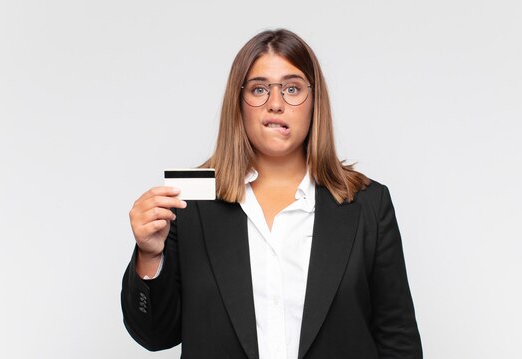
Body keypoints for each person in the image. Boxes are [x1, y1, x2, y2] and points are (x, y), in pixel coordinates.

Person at [121, 29, 422, 359]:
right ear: (239, 103)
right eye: (259, 89)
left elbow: (398, 341)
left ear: (314, 100)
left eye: (292, 88)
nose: (275, 104)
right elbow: (155, 336)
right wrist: (149, 255)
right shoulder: (190, 204)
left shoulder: (368, 205)